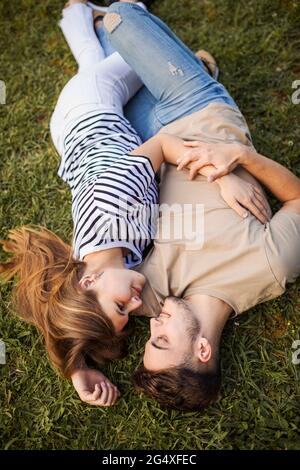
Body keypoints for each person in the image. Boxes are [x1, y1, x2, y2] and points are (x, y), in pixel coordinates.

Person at [0, 0, 271, 408]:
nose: (134, 306)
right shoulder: (92, 267)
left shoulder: (118, 207)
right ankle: (74, 16)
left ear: (88, 283)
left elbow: (162, 146)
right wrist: (77, 369)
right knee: (91, 60)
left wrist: (225, 175)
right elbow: (58, 320)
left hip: (89, 112)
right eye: (129, 315)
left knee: (128, 52)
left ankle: (110, 12)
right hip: (81, 138)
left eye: (120, 306)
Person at [96, 2, 300, 410]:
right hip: (196, 108)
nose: (153, 324)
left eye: (150, 337)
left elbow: (80, 300)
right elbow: (297, 197)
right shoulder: (270, 268)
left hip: (147, 137)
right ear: (203, 350)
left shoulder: (150, 296)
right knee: (118, 18)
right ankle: (196, 71)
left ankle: (191, 63)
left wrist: (77, 369)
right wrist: (236, 160)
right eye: (162, 340)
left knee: (103, 43)